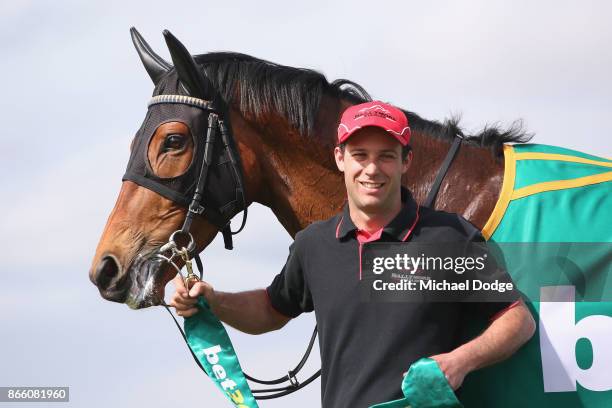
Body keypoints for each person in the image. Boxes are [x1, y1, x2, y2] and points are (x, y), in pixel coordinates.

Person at [170, 101, 536, 407]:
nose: (372, 169)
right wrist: (214, 301)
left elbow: (517, 319)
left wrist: (460, 362)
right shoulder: (314, 244)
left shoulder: (447, 237)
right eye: (360, 155)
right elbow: (270, 309)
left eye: (386, 156)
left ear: (406, 161)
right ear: (340, 158)